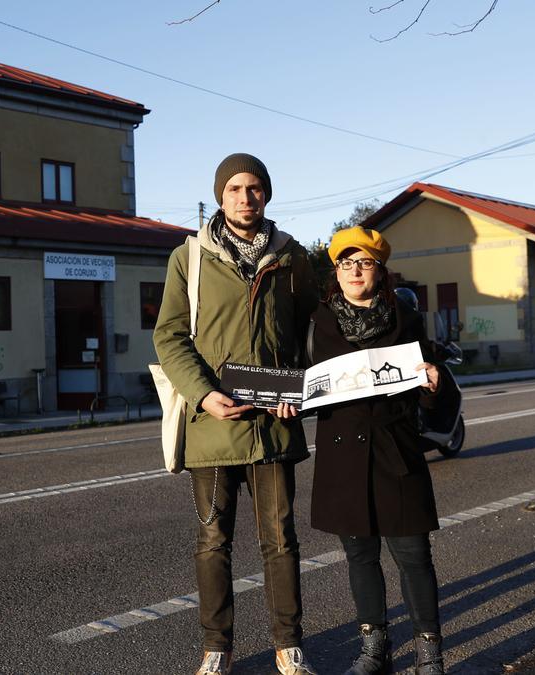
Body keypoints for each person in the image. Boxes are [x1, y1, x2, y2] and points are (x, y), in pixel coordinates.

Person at [153, 153, 320, 675]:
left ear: (267, 193)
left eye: (254, 188)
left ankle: (288, 647)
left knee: (281, 540)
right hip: (212, 425)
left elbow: (310, 338)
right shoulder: (190, 258)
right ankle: (216, 649)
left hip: (274, 424)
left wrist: (304, 389)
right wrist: (203, 395)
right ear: (220, 195)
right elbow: (170, 336)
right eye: (234, 189)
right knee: (212, 541)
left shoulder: (293, 257)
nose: (245, 198)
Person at [305, 226, 447, 675]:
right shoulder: (318, 321)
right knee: (360, 556)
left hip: (395, 452)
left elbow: (429, 385)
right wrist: (287, 401)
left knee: (413, 555)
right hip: (342, 458)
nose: (354, 270)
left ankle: (430, 654)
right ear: (336, 272)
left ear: (379, 271)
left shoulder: (406, 319)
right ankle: (374, 650)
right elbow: (303, 381)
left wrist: (432, 382)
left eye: (363, 262)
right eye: (346, 263)